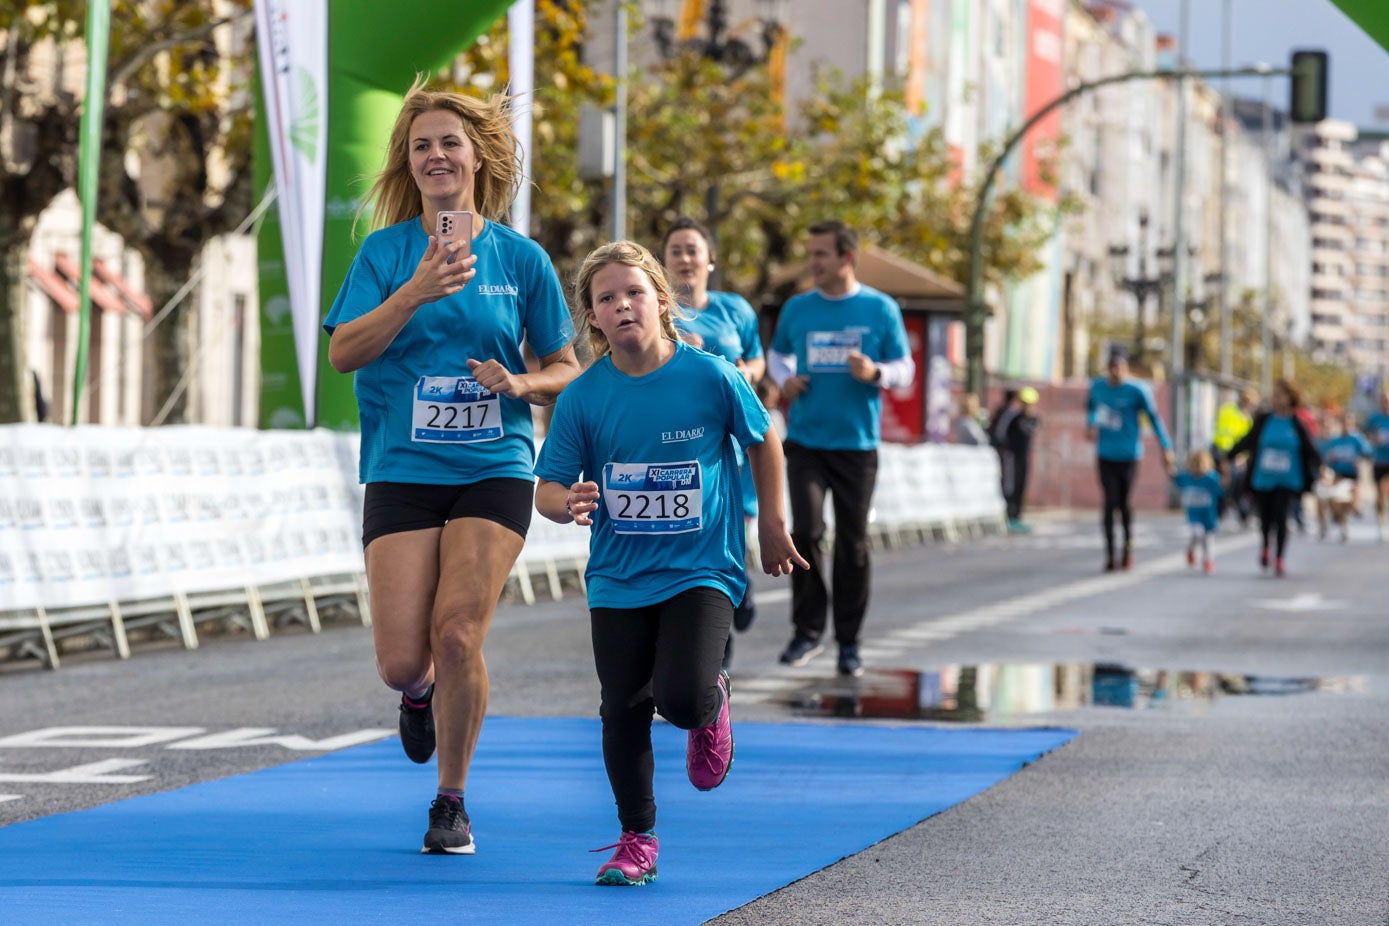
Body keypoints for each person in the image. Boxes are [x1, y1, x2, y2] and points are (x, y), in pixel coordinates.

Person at [323, 78, 581, 855]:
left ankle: (451, 801)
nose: (435, 155)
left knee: (460, 633)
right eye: (420, 145)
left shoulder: (520, 259)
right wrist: (412, 293)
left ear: (476, 158)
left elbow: (567, 365)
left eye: (449, 143)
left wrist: (523, 383)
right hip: (402, 468)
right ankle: (419, 692)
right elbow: (343, 353)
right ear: (410, 164)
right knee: (406, 658)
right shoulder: (384, 253)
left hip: (493, 464)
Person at [534, 240, 806, 887]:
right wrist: (564, 501)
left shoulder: (710, 375)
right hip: (618, 577)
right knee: (621, 708)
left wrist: (770, 523)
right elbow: (545, 486)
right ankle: (637, 840)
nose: (621, 305)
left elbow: (765, 442)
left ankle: (710, 703)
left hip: (700, 568)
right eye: (605, 298)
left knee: (680, 698)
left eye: (632, 292)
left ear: (660, 299)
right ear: (592, 318)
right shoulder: (583, 397)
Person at [766, 220, 913, 677]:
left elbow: (905, 369)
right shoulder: (797, 308)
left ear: (847, 258)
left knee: (853, 544)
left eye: (821, 254)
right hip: (807, 441)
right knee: (806, 531)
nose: (813, 262)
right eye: (810, 253)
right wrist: (784, 379)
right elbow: (778, 355)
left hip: (857, 445)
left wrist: (875, 373)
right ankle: (807, 631)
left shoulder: (880, 308)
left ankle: (849, 642)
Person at [661, 216, 766, 670]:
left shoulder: (735, 310)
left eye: (692, 250)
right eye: (676, 251)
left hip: (729, 447)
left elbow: (757, 359)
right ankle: (704, 659)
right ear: (663, 263)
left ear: (710, 260)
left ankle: (734, 610)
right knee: (685, 550)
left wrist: (747, 375)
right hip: (671, 445)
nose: (685, 259)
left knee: (729, 540)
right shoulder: (654, 310)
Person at [1085, 346, 1176, 571]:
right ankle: (1109, 554)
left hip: (1128, 454)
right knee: (1108, 502)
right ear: (1107, 368)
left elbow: (1154, 418)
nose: (1116, 372)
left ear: (1126, 368)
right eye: (1112, 367)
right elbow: (1091, 408)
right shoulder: (1097, 387)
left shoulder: (1138, 391)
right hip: (1105, 453)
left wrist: (1166, 447)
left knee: (1123, 503)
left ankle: (1127, 547)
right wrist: (1090, 424)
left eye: (1120, 368)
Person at [1227, 379, 1321, 577]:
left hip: (1288, 479)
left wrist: (1322, 467)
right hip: (1263, 477)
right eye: (1274, 395)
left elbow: (1310, 449)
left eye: (1280, 395)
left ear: (1290, 398)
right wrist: (1227, 455)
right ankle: (1265, 547)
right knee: (1265, 518)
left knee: (1281, 517)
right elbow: (1249, 440)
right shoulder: (1264, 419)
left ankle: (1279, 558)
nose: (1276, 399)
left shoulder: (1296, 423)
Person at [989, 386, 1041, 532]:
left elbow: (1033, 427)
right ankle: (1009, 516)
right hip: (1010, 456)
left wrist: (1030, 416)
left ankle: (1017, 516)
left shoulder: (1032, 418)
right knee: (1010, 486)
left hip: (1023, 457)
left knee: (1021, 485)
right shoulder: (1012, 416)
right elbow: (1000, 434)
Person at [1316, 408, 1372, 543]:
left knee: (1344, 500)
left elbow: (1367, 453)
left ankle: (1355, 508)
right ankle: (1333, 525)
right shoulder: (1334, 440)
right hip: (1337, 476)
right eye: (1343, 422)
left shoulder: (1357, 438)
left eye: (1348, 423)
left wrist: (1359, 458)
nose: (1346, 426)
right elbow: (1325, 460)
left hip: (1352, 476)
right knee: (1329, 498)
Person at [1172, 448, 1223, 573]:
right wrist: (1168, 463)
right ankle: (1191, 549)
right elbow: (1174, 478)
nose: (1198, 468)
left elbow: (1221, 490)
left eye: (1201, 465)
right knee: (1197, 533)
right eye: (1195, 465)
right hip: (1194, 514)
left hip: (1208, 514)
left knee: (1208, 539)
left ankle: (1208, 560)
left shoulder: (1211, 479)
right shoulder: (1186, 477)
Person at [1212, 386, 1257, 526]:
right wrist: (1226, 458)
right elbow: (1224, 435)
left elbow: (1245, 441)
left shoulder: (1247, 418)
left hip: (1235, 456)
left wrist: (1242, 458)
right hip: (1222, 452)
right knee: (1226, 484)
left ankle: (1242, 514)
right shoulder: (1229, 411)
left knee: (1237, 485)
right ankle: (1218, 514)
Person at [1365, 390, 1389, 542]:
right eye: (1384, 400)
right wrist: (1373, 439)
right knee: (1379, 493)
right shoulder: (1375, 418)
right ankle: (1381, 523)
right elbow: (1366, 433)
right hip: (1379, 460)